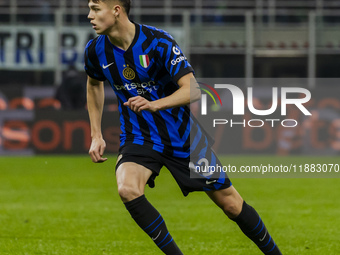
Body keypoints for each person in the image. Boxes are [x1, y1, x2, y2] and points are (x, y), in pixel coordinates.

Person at [85, 0, 282, 254]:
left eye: (95, 8)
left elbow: (193, 90)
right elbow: (93, 85)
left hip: (183, 137)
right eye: (89, 8)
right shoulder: (95, 50)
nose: (89, 15)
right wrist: (96, 134)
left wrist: (156, 104)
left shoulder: (158, 42)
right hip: (139, 136)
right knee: (127, 189)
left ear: (116, 10)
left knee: (231, 205)